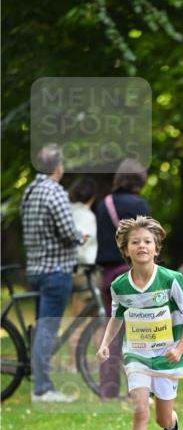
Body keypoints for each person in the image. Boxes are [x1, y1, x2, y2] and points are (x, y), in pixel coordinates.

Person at [95, 216, 183, 430]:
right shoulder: (119, 285)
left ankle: (172, 427)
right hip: (137, 354)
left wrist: (179, 347)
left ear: (156, 249)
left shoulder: (171, 279)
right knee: (140, 409)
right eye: (135, 242)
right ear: (126, 250)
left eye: (147, 242)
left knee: (161, 417)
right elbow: (117, 316)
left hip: (167, 355)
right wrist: (105, 344)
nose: (142, 246)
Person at [20, 143, 86, 402]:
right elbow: (68, 232)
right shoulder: (55, 192)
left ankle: (40, 382)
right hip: (56, 270)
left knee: (41, 328)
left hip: (35, 269)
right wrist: (81, 237)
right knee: (48, 329)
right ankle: (43, 389)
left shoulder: (29, 191)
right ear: (58, 167)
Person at [95, 159, 150, 398]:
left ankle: (108, 389)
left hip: (107, 275)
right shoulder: (138, 205)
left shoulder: (102, 205)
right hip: (132, 273)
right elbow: (149, 240)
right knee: (140, 330)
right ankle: (137, 389)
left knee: (112, 329)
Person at [68, 176, 98, 368]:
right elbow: (80, 244)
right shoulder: (87, 216)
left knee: (82, 320)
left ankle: (79, 362)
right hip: (85, 272)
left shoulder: (68, 212)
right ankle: (75, 363)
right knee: (89, 321)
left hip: (73, 271)